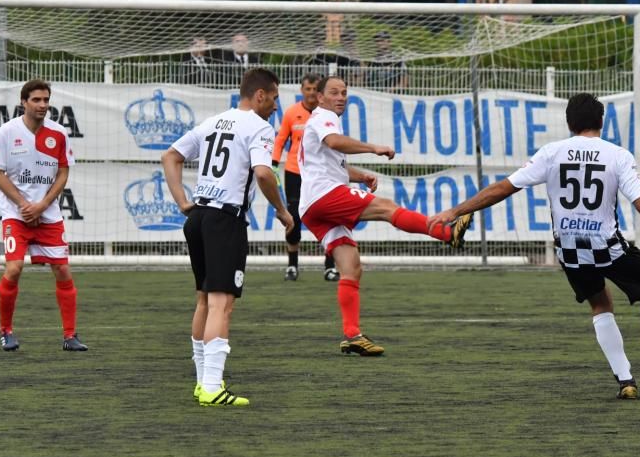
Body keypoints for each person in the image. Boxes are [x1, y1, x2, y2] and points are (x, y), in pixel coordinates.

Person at [428, 93, 640, 399]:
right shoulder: (617, 155)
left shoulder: (552, 152)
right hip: (607, 246)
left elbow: (503, 187)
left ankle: (626, 381)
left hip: (569, 250)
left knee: (600, 305)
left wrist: (456, 210)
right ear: (601, 121)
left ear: (569, 122)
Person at [299, 75, 472, 356]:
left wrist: (360, 175)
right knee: (387, 207)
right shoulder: (323, 117)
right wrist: (373, 148)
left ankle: (353, 336)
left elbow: (330, 163)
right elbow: (334, 142)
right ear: (320, 97)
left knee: (351, 267)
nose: (341, 97)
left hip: (311, 206)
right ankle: (446, 232)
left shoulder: (321, 121)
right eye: (334, 92)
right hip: (324, 195)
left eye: (344, 92)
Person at [161, 68, 295, 406]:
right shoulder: (260, 127)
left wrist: (182, 202)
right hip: (225, 220)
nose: (275, 106)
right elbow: (263, 173)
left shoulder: (213, 122)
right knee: (222, 304)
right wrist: (281, 210)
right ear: (260, 95)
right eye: (274, 98)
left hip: (198, 217)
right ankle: (211, 387)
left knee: (204, 301)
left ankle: (202, 383)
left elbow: (170, 156)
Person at [0, 79, 87, 352]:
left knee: (63, 270)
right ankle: (6, 332)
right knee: (14, 269)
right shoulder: (7, 131)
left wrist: (42, 205)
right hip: (16, 214)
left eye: (46, 100)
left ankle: (70, 336)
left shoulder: (58, 133)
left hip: (48, 214)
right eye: (36, 100)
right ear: (24, 102)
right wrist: (24, 205)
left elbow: (63, 172)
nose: (42, 105)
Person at [272, 73, 339, 281]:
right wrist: (273, 163)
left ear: (320, 93)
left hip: (321, 173)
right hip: (295, 172)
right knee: (293, 218)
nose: (310, 93)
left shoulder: (327, 115)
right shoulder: (291, 113)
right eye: (307, 89)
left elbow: (335, 143)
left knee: (328, 216)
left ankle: (329, 267)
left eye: (314, 89)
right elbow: (280, 140)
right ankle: (292, 266)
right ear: (302, 90)